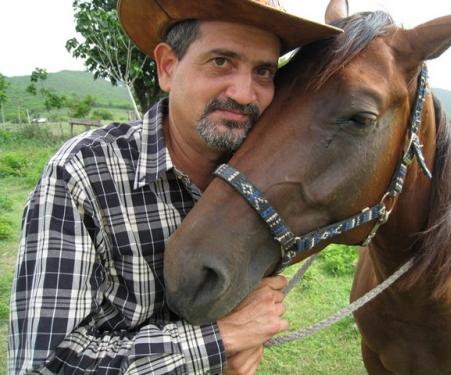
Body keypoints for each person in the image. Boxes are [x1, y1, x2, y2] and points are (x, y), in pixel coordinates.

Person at [8, 0, 341, 373]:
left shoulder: (260, 180)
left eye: (263, 71)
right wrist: (222, 340)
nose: (246, 94)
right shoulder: (82, 174)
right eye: (221, 62)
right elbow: (45, 365)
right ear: (168, 67)